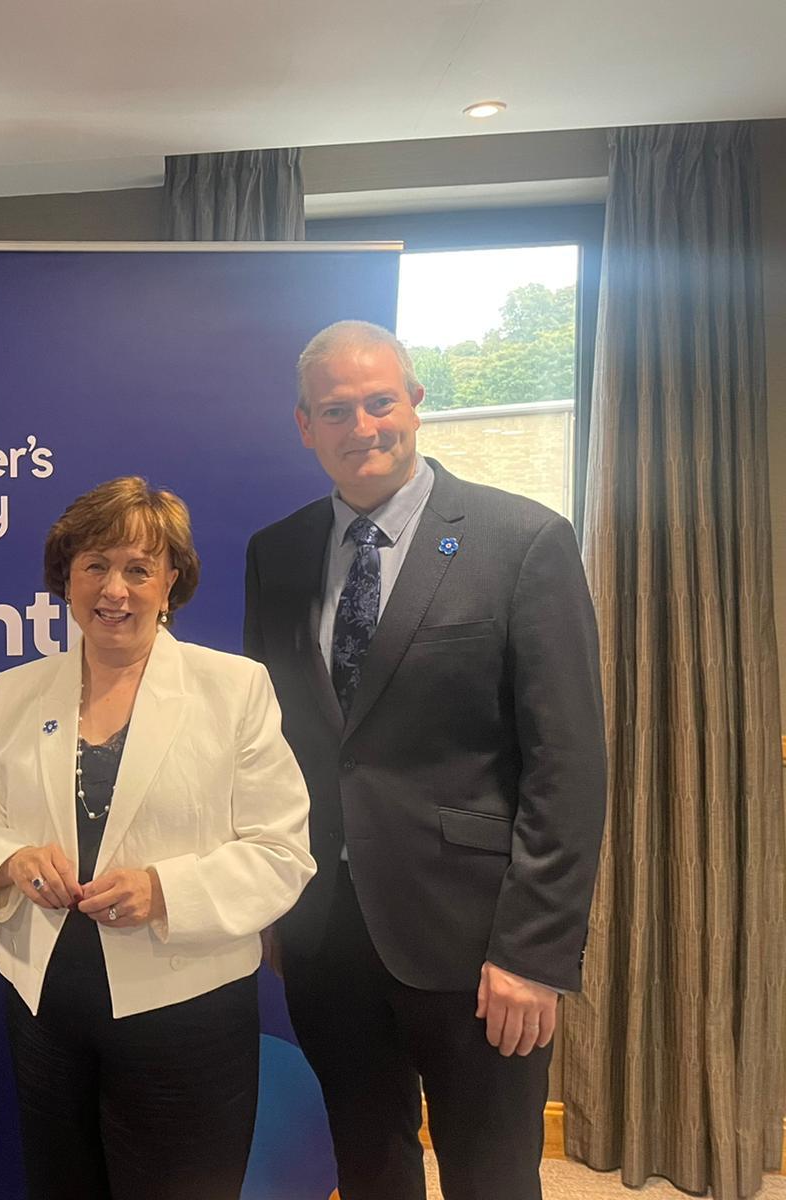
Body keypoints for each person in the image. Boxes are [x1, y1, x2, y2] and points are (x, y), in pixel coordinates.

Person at [243, 319, 607, 1200]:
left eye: (379, 402)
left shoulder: (523, 541)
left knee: (491, 1177)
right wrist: (272, 906)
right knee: (368, 1167)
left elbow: (568, 763)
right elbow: (269, 747)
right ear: (305, 426)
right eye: (337, 410)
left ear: (416, 403)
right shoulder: (276, 554)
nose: (363, 426)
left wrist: (534, 954)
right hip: (326, 934)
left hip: (477, 942)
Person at [0, 476, 315, 1200]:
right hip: (45, 1009)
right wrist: (10, 859)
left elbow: (281, 851)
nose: (114, 589)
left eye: (138, 568)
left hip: (188, 1015)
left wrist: (164, 889)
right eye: (95, 566)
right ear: (67, 578)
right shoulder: (12, 694)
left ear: (170, 580)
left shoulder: (234, 689)